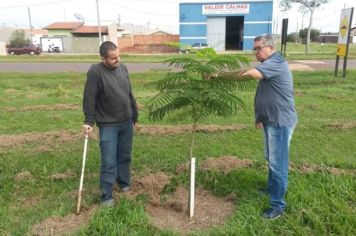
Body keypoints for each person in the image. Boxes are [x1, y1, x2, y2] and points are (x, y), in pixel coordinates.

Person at [241, 34, 297, 219]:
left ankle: (278, 206)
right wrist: (260, 117)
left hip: (280, 122)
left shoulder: (276, 61)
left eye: (259, 48)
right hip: (269, 120)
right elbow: (266, 93)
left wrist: (221, 76)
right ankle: (271, 190)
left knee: (278, 164)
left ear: (270, 48)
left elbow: (252, 74)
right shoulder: (270, 64)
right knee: (271, 158)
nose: (255, 52)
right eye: (254, 49)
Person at [82, 41, 138, 207]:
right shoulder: (95, 72)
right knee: (108, 161)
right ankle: (106, 195)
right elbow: (89, 98)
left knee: (125, 156)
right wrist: (88, 120)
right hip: (108, 125)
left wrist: (134, 116)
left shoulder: (123, 68)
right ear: (103, 58)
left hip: (126, 122)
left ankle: (123, 182)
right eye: (113, 58)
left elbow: (129, 94)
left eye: (118, 56)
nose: (117, 60)